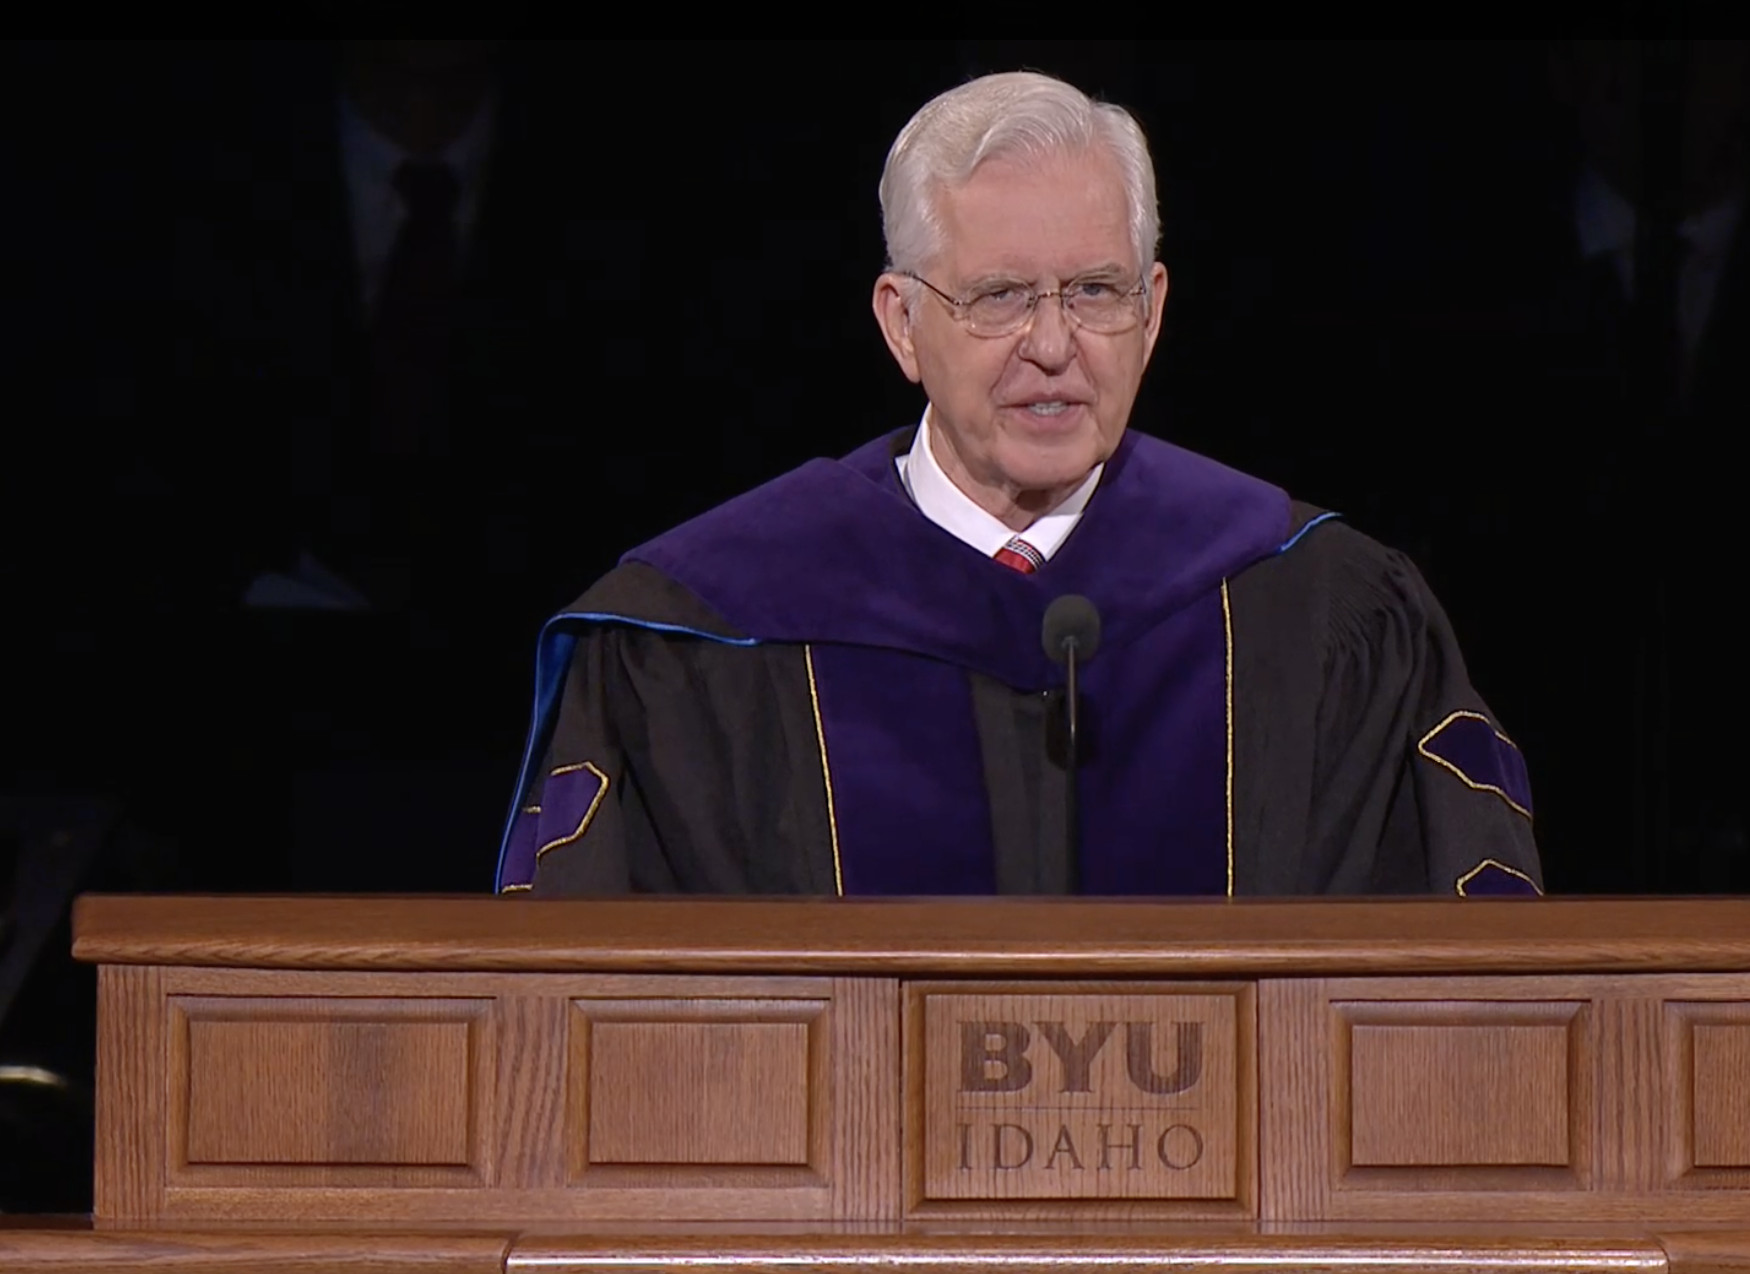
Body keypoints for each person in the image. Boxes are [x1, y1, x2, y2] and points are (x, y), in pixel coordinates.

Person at [494, 71, 1541, 898]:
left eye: (1093, 290)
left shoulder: (1318, 609)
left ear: (1154, 307)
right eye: (997, 296)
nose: (1052, 345)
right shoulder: (697, 636)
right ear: (901, 322)